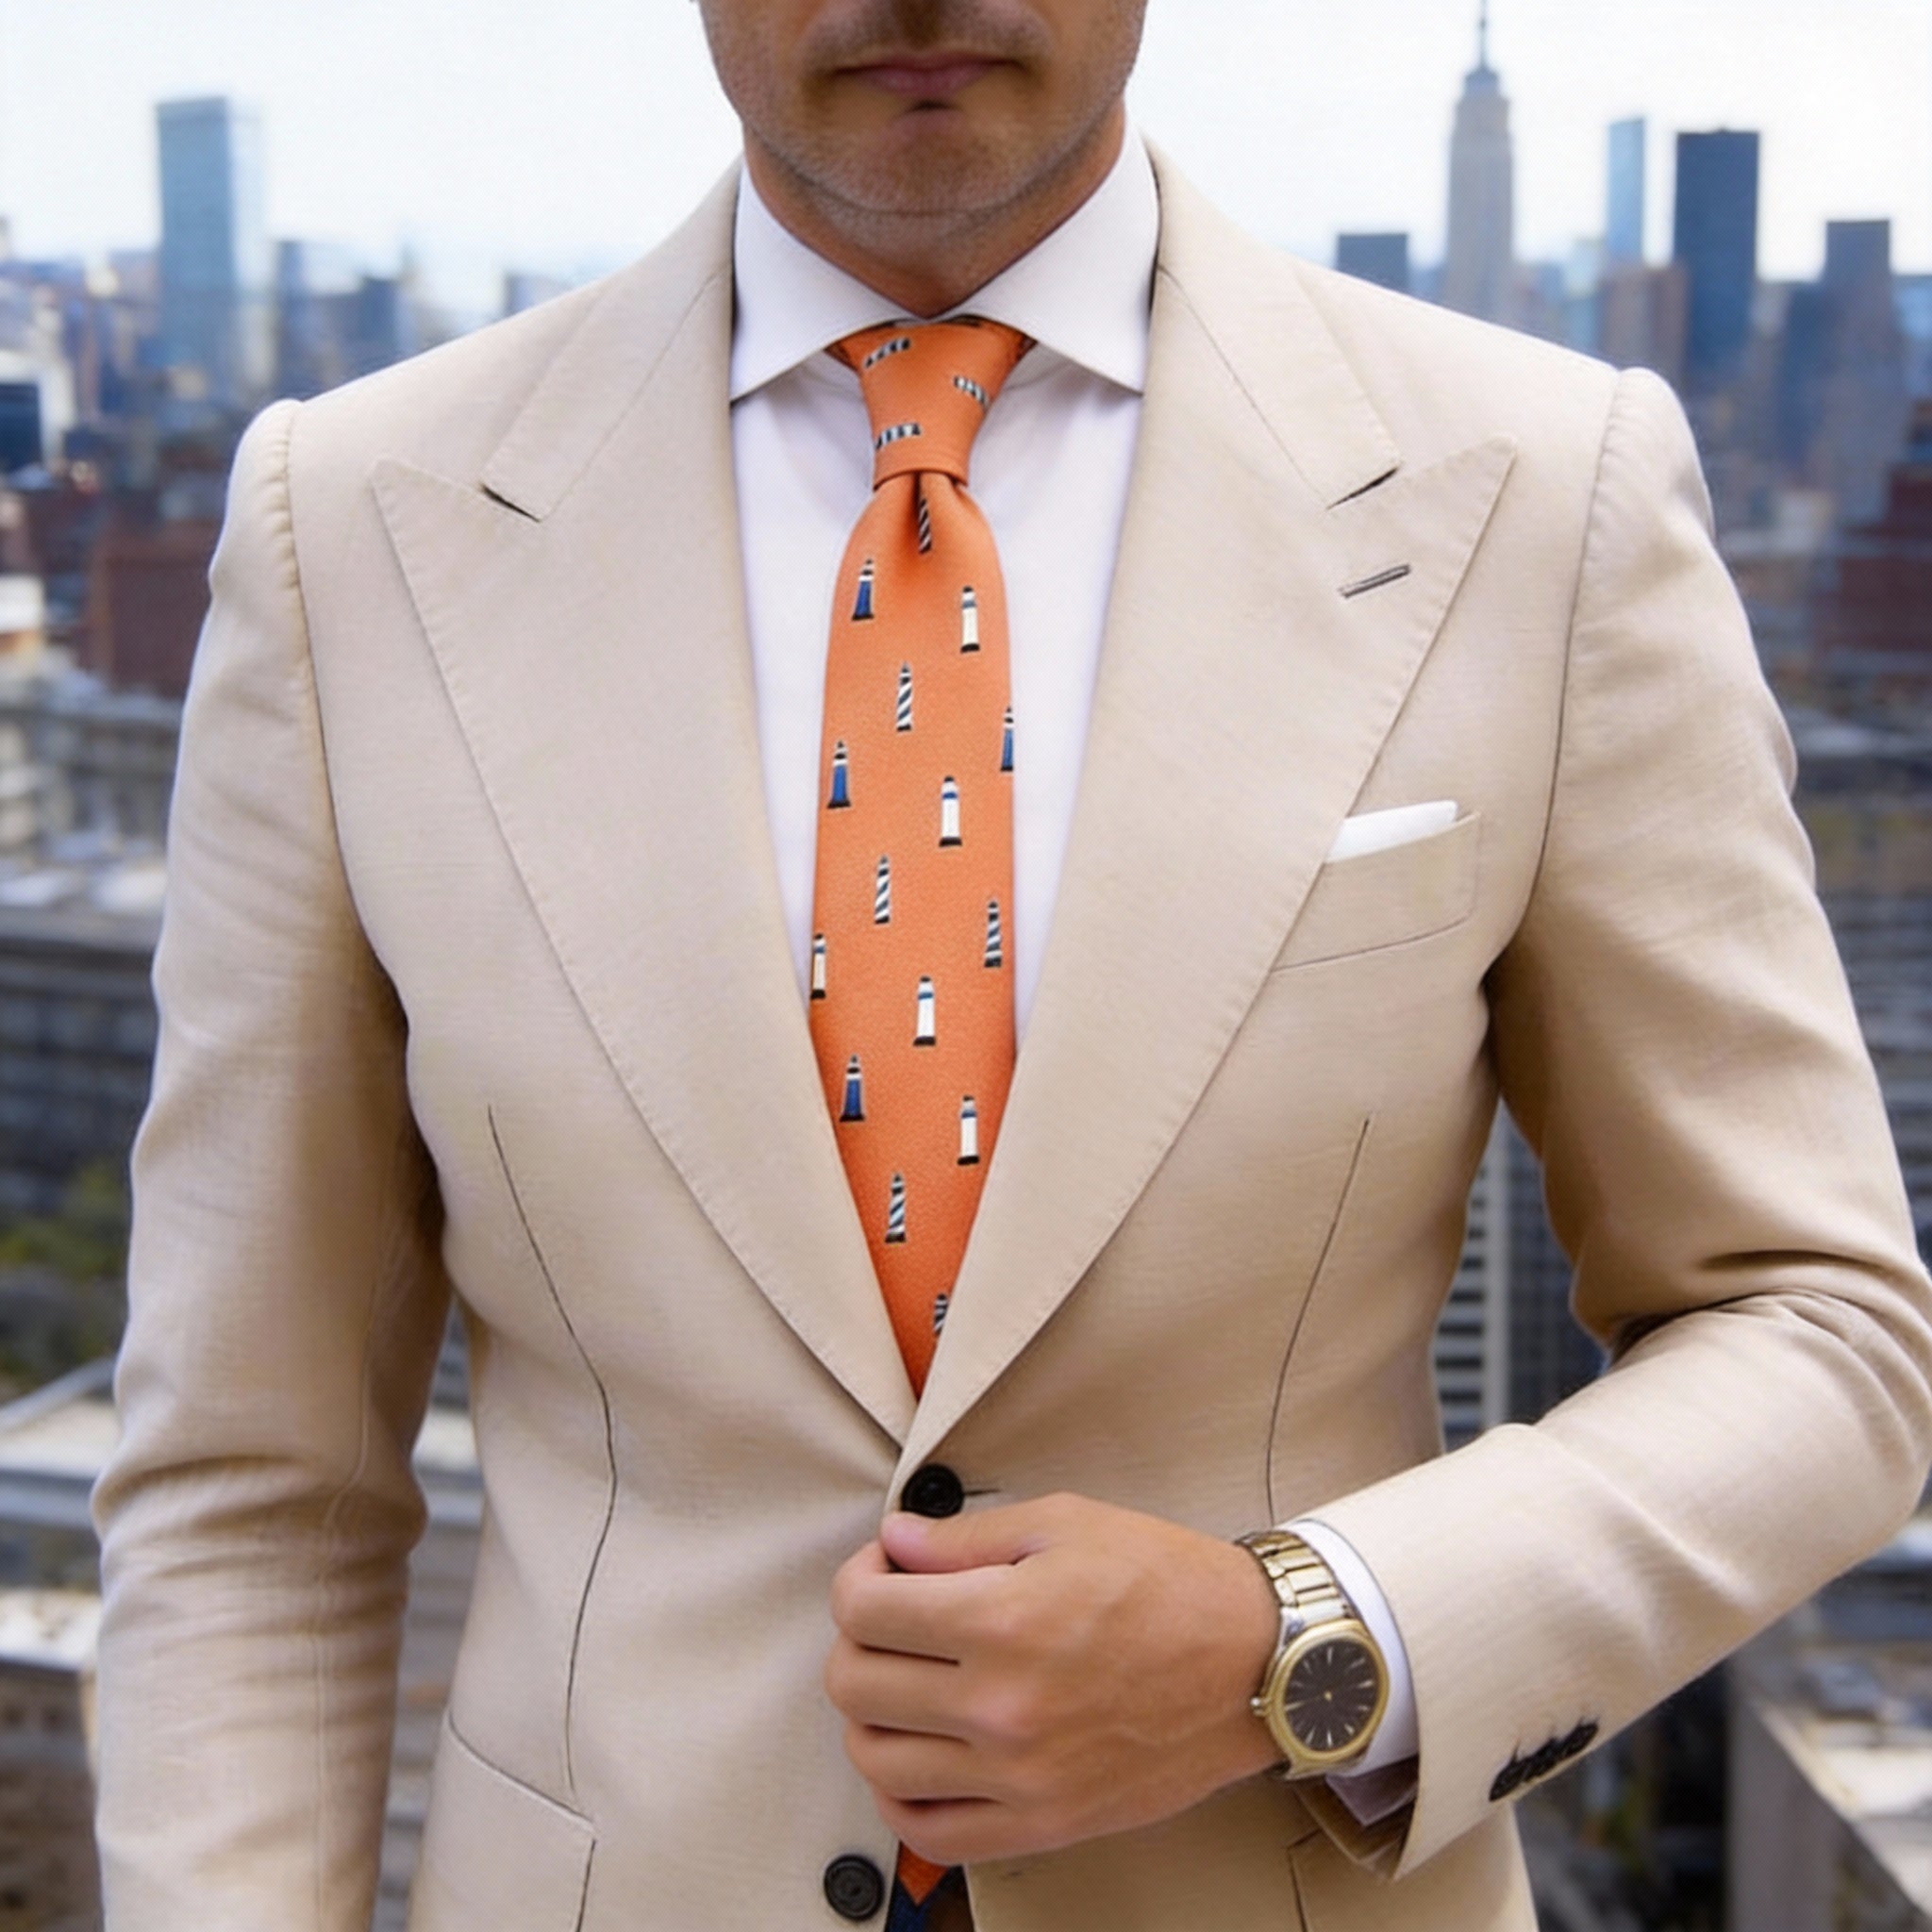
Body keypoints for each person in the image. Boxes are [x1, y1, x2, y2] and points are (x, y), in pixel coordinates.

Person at [89, 3, 1932, 1929]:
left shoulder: (1541, 494)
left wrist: (1293, 1640)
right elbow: (250, 1493)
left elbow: (1819, 1328)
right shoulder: (350, 534)